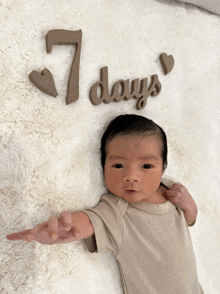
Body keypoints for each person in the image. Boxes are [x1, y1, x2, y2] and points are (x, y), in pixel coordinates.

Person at [6, 114, 203, 294]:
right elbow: (89, 220)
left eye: (146, 166)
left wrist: (190, 208)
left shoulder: (171, 189)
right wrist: (68, 226)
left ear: (163, 167)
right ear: (103, 167)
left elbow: (185, 222)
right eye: (118, 166)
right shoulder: (117, 211)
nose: (131, 177)